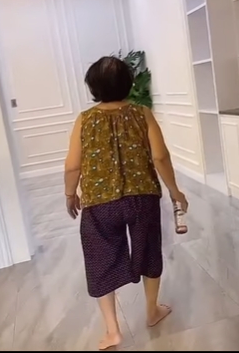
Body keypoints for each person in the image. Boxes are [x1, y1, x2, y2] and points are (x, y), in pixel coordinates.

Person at [64, 56, 189, 350]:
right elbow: (160, 157)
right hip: (142, 197)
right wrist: (175, 191)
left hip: (99, 204)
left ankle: (112, 331)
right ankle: (152, 311)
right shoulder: (142, 114)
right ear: (129, 84)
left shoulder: (84, 120)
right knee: (149, 251)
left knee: (101, 260)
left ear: (92, 87)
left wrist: (70, 194)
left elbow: (72, 166)